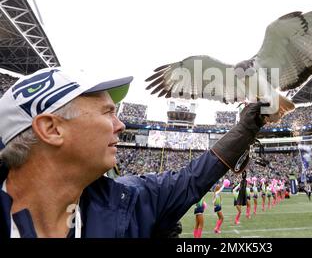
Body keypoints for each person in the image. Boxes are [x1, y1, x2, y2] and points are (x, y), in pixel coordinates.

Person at [0, 67, 269, 238]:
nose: (121, 125)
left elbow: (191, 180)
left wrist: (246, 128)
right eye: (108, 112)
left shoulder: (131, 201)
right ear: (52, 129)